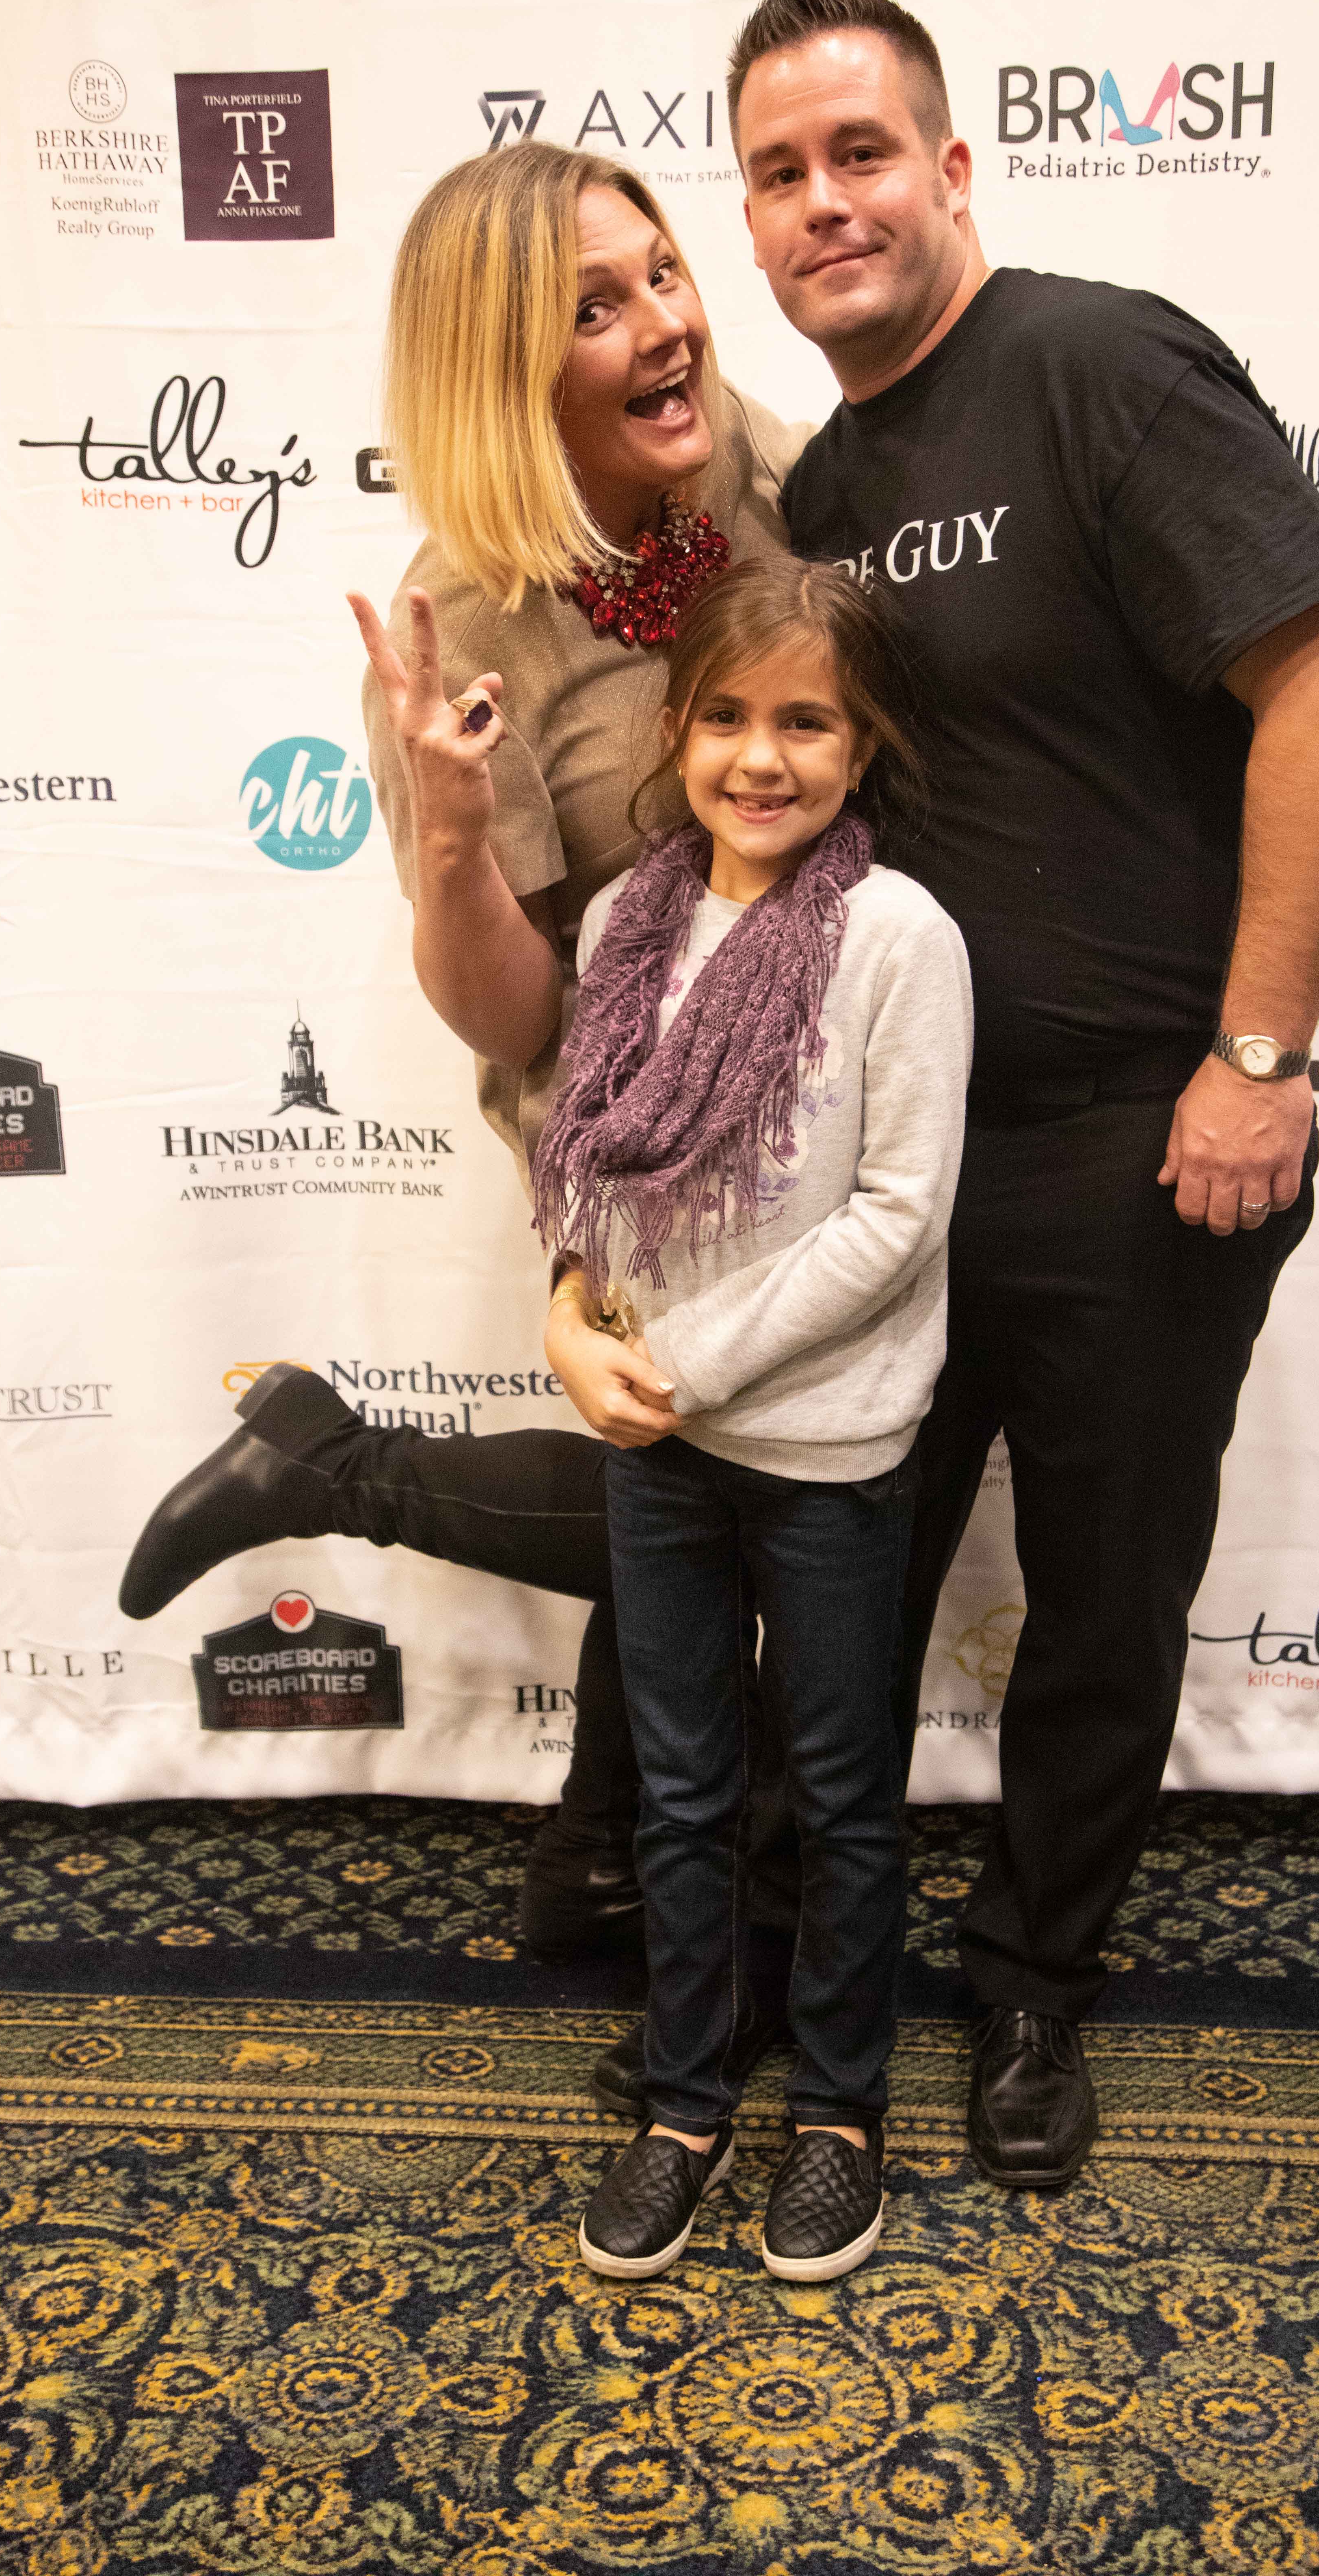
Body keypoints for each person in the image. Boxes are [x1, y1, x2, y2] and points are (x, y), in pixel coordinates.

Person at [724, 0, 1319, 2190]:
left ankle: (1032, 1989)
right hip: (896, 1166)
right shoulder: (827, 481)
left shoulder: (1101, 364)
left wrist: (1257, 1059)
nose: (826, 202)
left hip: (1144, 1144)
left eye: (861, 153)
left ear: (948, 164)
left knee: (1101, 1607)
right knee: (839, 1588)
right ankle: (803, 1970)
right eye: (780, 174)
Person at [117, 141, 808, 2028]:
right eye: (593, 308)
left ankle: (595, 1851)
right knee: (743, 1499)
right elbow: (510, 1019)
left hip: (823, 1077)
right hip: (637, 1126)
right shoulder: (464, 626)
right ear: (503, 369)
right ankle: (345, 1469)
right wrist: (442, 831)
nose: (663, 324)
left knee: (715, 1477)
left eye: (659, 273)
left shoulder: (765, 472)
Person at [547, 550, 971, 2282]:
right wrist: (576, 1319)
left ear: (864, 746)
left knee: (842, 1795)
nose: (761, 757)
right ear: (676, 727)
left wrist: (690, 1364)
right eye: (726, 716)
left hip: (827, 1452)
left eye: (807, 722)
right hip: (655, 1446)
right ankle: (685, 2102)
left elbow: (899, 1216)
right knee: (680, 1789)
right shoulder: (623, 923)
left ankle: (841, 2115)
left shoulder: (899, 938)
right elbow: (591, 1161)